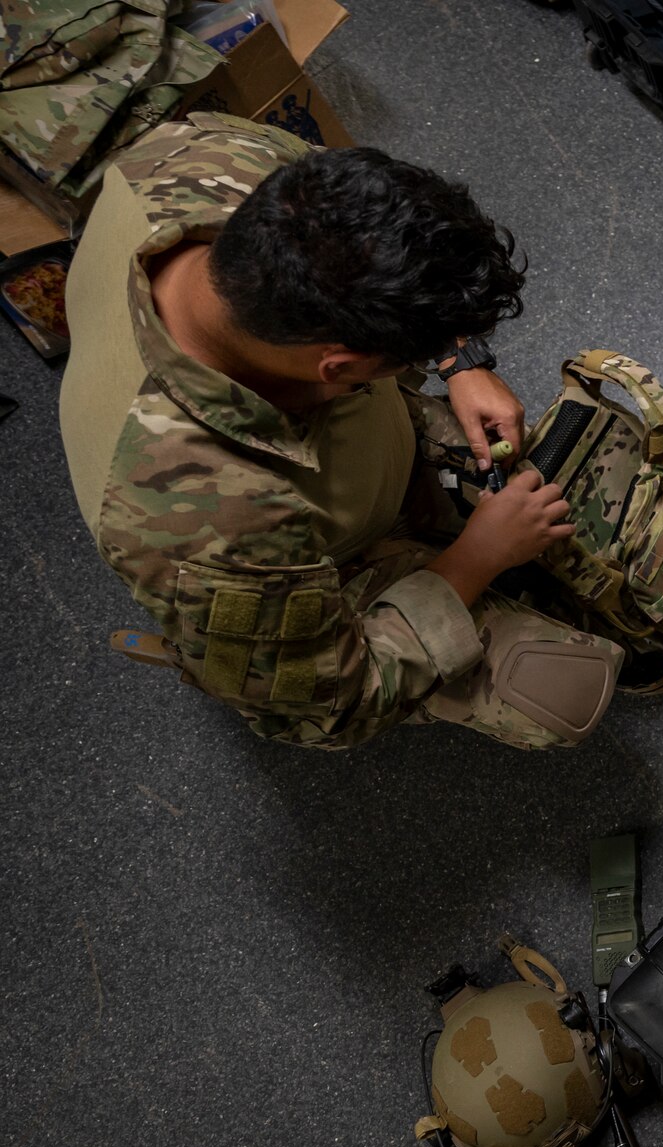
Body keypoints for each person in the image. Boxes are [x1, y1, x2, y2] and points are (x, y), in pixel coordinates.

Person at [59, 111, 627, 750]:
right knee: (565, 691)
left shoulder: (211, 155)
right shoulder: (202, 523)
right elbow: (329, 710)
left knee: (580, 486)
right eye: (403, 358)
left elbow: (380, 242)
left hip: (356, 449)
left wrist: (459, 360)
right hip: (321, 564)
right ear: (341, 367)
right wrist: (474, 560)